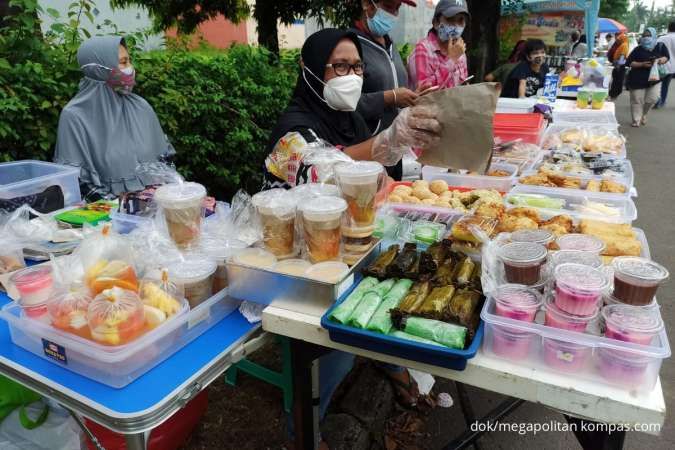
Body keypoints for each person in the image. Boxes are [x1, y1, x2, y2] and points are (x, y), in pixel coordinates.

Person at [264, 29, 441, 410]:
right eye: (339, 66)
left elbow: (378, 166)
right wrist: (390, 139)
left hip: (353, 238)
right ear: (310, 68)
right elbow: (323, 169)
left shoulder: (350, 111)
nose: (351, 76)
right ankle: (306, 427)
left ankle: (392, 362)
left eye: (357, 66)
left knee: (396, 281)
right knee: (338, 347)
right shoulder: (291, 128)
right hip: (300, 252)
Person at [55, 36, 174, 200]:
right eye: (123, 62)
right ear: (98, 69)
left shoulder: (141, 107)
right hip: (107, 219)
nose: (130, 68)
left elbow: (165, 164)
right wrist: (122, 210)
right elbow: (78, 183)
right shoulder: (75, 117)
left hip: (159, 210)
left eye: (129, 61)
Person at [351, 0, 420, 180]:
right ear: (367, 4)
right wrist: (391, 97)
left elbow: (397, 87)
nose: (393, 14)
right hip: (365, 150)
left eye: (398, 9)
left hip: (393, 149)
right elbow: (346, 102)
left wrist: (414, 95)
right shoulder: (351, 46)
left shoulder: (390, 46)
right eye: (389, 7)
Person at [407, 0, 469, 91]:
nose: (456, 26)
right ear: (436, 23)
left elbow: (463, 85)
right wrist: (451, 60)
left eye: (460, 20)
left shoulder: (460, 53)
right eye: (450, 19)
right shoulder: (423, 49)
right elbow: (423, 93)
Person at [626, 27, 670, 127]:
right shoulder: (638, 49)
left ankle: (644, 114)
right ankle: (636, 120)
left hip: (654, 78)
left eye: (649, 35)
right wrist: (641, 64)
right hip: (637, 78)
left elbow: (666, 57)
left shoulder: (660, 46)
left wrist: (658, 61)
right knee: (636, 99)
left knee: (653, 98)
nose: (646, 38)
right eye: (644, 36)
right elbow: (629, 62)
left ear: (654, 36)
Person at [655, 21, 675, 108]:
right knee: (665, 85)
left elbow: (655, 51)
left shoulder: (661, 38)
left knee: (656, 84)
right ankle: (662, 102)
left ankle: (656, 101)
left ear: (668, 28)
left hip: (660, 65)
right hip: (672, 67)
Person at [608, 32, 630, 100]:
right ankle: (613, 94)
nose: (618, 40)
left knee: (617, 81)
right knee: (616, 80)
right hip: (618, 65)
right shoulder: (624, 44)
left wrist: (619, 65)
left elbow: (622, 56)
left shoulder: (624, 45)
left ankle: (614, 95)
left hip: (619, 65)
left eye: (620, 39)